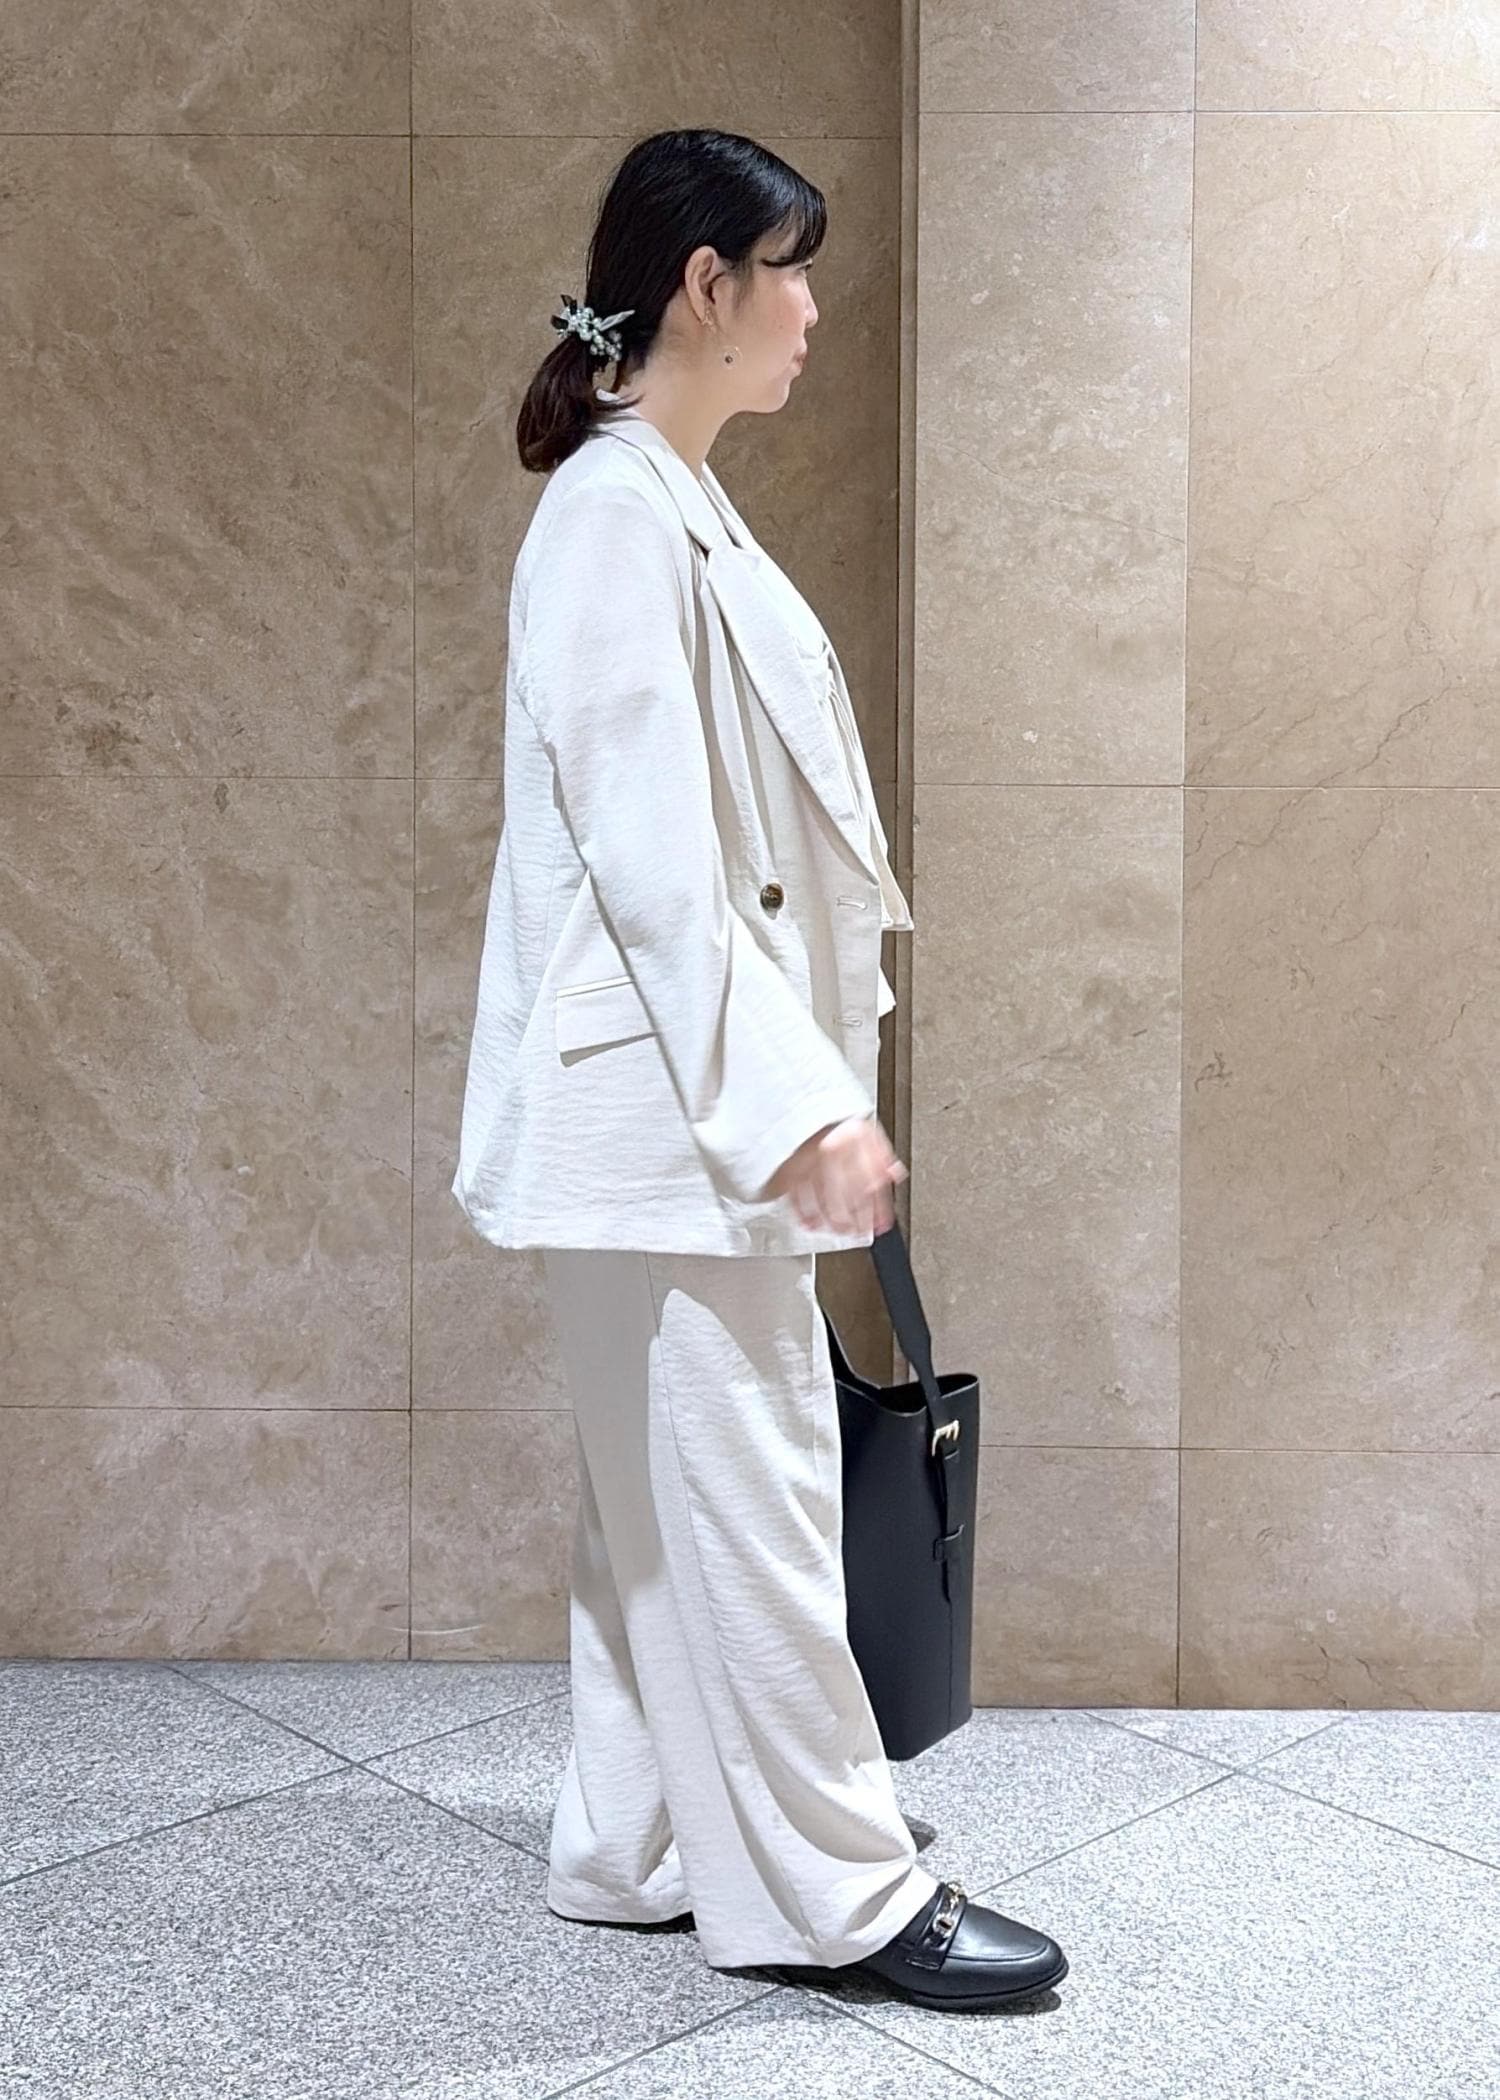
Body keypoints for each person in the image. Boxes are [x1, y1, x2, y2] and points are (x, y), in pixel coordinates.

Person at [451, 126, 1069, 2012]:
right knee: (759, 1500)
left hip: (659, 1116)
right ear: (702, 287)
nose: (810, 310)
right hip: (672, 1118)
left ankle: (633, 1842)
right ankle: (843, 1897)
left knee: (662, 1502)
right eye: (788, 271)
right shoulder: (617, 515)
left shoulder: (666, 501)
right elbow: (655, 860)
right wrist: (797, 1104)